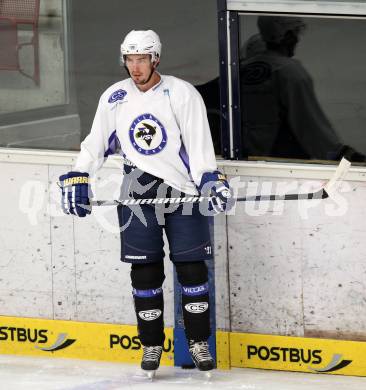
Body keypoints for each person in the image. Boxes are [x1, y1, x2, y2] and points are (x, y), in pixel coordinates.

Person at [58, 30, 232, 375]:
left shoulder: (181, 93)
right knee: (145, 271)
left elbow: (198, 146)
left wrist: (210, 178)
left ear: (156, 59)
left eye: (142, 59)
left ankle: (198, 342)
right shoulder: (116, 96)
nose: (135, 67)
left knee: (192, 269)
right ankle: (151, 344)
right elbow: (96, 144)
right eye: (129, 60)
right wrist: (79, 175)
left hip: (182, 190)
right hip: (137, 191)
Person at [240, 16, 366, 162]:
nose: (297, 40)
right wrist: (343, 155)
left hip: (246, 162)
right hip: (280, 165)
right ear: (286, 36)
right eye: (295, 33)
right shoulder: (289, 71)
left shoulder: (240, 70)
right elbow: (309, 125)